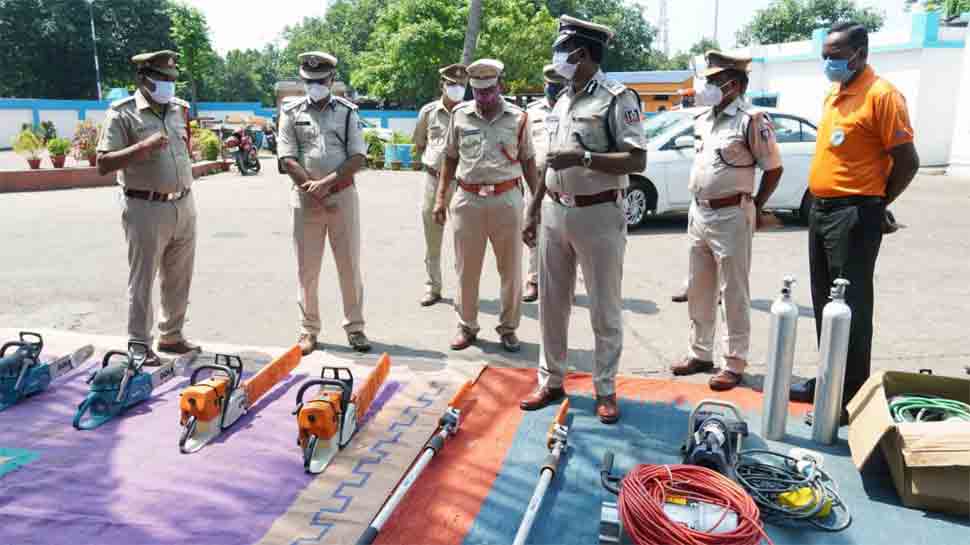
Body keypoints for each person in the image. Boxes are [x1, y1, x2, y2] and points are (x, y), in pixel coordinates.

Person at [519, 16, 647, 424]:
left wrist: (585, 158)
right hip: (555, 210)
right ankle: (551, 379)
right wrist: (534, 206)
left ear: (583, 53)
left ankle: (605, 388)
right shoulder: (562, 98)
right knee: (551, 305)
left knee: (603, 307)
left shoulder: (616, 97)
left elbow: (637, 158)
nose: (558, 57)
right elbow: (547, 162)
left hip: (599, 212)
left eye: (564, 49)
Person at [790, 23, 919, 414]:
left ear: (860, 54)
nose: (828, 62)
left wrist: (877, 204)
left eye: (836, 55)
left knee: (851, 306)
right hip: (822, 211)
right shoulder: (835, 93)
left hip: (853, 214)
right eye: (825, 55)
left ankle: (850, 396)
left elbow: (907, 162)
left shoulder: (882, 95)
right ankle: (830, 380)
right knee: (824, 301)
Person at [669, 51, 784, 392]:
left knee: (733, 291)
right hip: (699, 212)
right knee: (700, 287)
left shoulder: (751, 120)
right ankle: (700, 353)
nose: (707, 86)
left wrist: (757, 208)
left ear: (733, 85)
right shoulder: (704, 119)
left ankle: (734, 362)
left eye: (714, 81)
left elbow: (773, 169)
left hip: (733, 213)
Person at [97, 50, 201, 365]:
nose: (169, 84)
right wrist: (143, 148)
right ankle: (139, 344)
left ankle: (171, 335)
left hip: (183, 202)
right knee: (143, 278)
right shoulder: (122, 113)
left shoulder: (179, 110)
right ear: (143, 78)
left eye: (172, 78)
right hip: (145, 207)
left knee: (179, 276)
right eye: (162, 78)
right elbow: (103, 162)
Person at [432, 59, 539, 352]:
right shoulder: (460, 115)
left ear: (499, 87)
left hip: (507, 199)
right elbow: (450, 158)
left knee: (511, 270)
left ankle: (508, 328)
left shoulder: (518, 118)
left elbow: (529, 161)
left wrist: (536, 204)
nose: (485, 98)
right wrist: (441, 197)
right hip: (468, 201)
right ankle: (467, 326)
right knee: (466, 269)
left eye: (490, 91)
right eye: (479, 92)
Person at [277, 51, 371, 355]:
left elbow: (357, 157)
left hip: (341, 197)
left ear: (331, 80)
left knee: (349, 266)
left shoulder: (346, 112)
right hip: (305, 200)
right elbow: (286, 157)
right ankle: (308, 330)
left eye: (320, 81)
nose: (315, 85)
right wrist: (313, 189)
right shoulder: (290, 112)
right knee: (307, 269)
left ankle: (355, 328)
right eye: (309, 81)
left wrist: (327, 185)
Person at [412, 64, 468, 307]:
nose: (457, 88)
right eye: (452, 84)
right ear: (442, 85)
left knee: (464, 238)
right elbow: (420, 143)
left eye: (461, 85)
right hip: (433, 180)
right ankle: (433, 286)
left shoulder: (470, 111)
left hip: (463, 183)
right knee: (432, 238)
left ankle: (464, 289)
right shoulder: (429, 112)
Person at [522, 64, 567, 303]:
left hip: (564, 180)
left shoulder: (571, 108)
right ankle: (534, 279)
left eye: (560, 86)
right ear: (544, 86)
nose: (555, 90)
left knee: (564, 232)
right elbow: (523, 148)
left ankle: (561, 282)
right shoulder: (531, 113)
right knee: (534, 230)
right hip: (536, 179)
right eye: (551, 85)